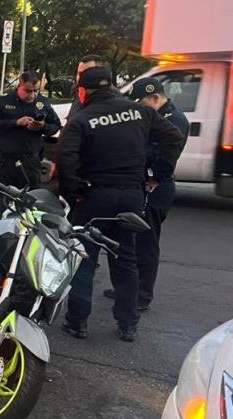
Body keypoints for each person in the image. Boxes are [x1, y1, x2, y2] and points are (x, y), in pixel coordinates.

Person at [56, 67, 184, 343]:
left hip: (94, 196)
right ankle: (128, 324)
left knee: (84, 258)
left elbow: (64, 159)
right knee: (125, 259)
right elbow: (174, 137)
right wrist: (159, 173)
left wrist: (73, 192)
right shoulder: (141, 112)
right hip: (131, 195)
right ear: (112, 85)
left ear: (82, 90)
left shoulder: (82, 119)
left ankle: (77, 322)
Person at [103, 77, 190, 311]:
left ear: (155, 97)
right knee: (132, 238)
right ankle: (127, 287)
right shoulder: (157, 114)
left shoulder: (174, 119)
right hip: (143, 182)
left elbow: (167, 154)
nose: (139, 108)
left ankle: (142, 294)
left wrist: (156, 178)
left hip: (158, 186)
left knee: (147, 242)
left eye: (142, 102)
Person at [0, 70, 61, 224]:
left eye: (35, 91)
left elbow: (56, 126)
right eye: (27, 91)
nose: (31, 95)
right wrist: (15, 122)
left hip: (30, 162)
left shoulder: (43, 103)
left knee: (32, 210)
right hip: (5, 162)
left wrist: (42, 126)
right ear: (19, 86)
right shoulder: (4, 102)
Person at [67, 54, 104, 122]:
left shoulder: (112, 100)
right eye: (79, 73)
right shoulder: (79, 94)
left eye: (86, 73)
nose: (80, 77)